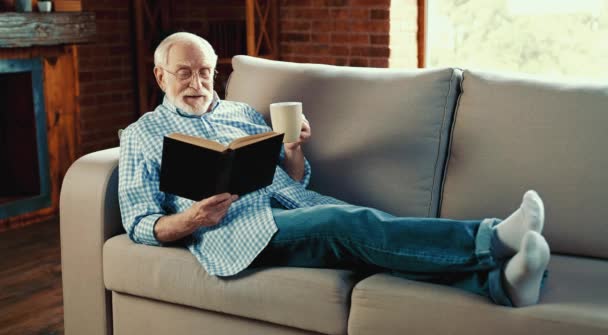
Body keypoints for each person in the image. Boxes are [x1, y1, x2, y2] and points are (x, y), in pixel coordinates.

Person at [118, 32, 550, 308]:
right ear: (160, 76)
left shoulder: (243, 114)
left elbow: (295, 178)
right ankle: (492, 238)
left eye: (206, 72)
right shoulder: (143, 134)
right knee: (347, 222)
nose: (197, 84)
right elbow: (138, 223)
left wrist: (292, 149)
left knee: (363, 245)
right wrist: (193, 218)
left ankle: (502, 285)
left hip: (289, 209)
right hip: (233, 233)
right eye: (184, 74)